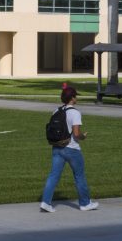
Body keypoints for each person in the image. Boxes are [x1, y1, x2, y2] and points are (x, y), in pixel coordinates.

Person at [40, 85, 99, 213]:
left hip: (57, 147)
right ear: (72, 98)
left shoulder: (56, 111)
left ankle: (45, 202)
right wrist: (84, 137)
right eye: (75, 96)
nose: (76, 98)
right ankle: (85, 203)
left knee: (53, 176)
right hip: (72, 149)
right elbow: (77, 134)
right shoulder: (75, 113)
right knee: (79, 176)